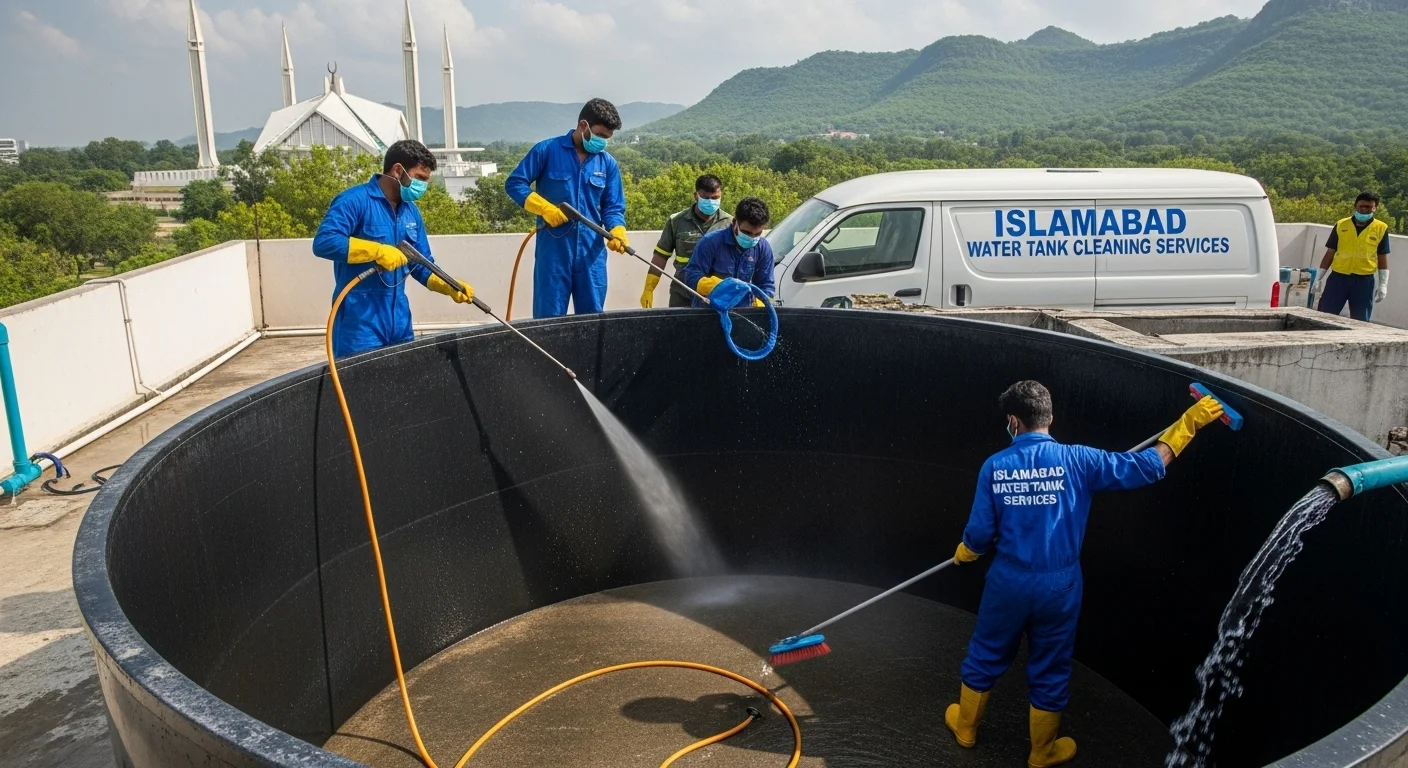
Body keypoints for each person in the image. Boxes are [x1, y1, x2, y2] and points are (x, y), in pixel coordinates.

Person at [945, 381, 1224, 768]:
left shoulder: (995, 466)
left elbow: (979, 535)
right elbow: (1150, 466)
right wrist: (1190, 422)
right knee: (1051, 665)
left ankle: (966, 729)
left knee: (987, 653)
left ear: (1013, 421)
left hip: (1008, 581)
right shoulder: (1080, 460)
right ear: (1050, 418)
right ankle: (1041, 752)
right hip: (1060, 585)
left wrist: (967, 552)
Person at [312, 140, 473, 358]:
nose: (423, 187)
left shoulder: (411, 213)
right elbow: (325, 241)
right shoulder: (355, 201)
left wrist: (448, 285)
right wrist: (377, 251)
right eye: (420, 178)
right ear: (398, 170)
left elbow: (421, 263)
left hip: (399, 320)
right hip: (359, 320)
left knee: (400, 385)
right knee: (360, 386)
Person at [505, 98, 628, 318]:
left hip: (591, 253)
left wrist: (617, 229)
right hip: (553, 251)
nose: (602, 142)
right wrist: (544, 208)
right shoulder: (547, 151)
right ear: (583, 125)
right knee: (548, 320)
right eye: (599, 135)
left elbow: (613, 206)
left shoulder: (607, 163)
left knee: (592, 319)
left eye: (607, 139)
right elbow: (514, 183)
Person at [642, 174, 732, 308]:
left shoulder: (729, 224)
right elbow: (660, 256)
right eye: (706, 198)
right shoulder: (676, 221)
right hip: (682, 294)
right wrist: (649, 289)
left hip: (717, 296)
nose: (711, 201)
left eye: (715, 198)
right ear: (696, 196)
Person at [681, 197, 775, 308]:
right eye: (746, 232)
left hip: (743, 313)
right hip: (709, 312)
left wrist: (760, 304)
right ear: (735, 223)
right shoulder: (710, 242)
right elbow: (691, 276)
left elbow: (766, 285)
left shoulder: (763, 247)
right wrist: (712, 286)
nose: (752, 238)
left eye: (757, 234)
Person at [1316, 191, 1390, 322]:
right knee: (1324, 316)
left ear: (1374, 208)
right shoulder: (1341, 225)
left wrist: (1383, 284)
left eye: (1369, 207)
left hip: (1363, 281)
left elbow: (1382, 256)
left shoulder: (1381, 228)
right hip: (1338, 278)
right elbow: (1330, 252)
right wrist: (1318, 277)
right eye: (1361, 206)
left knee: (1360, 320)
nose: (1364, 210)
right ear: (1355, 206)